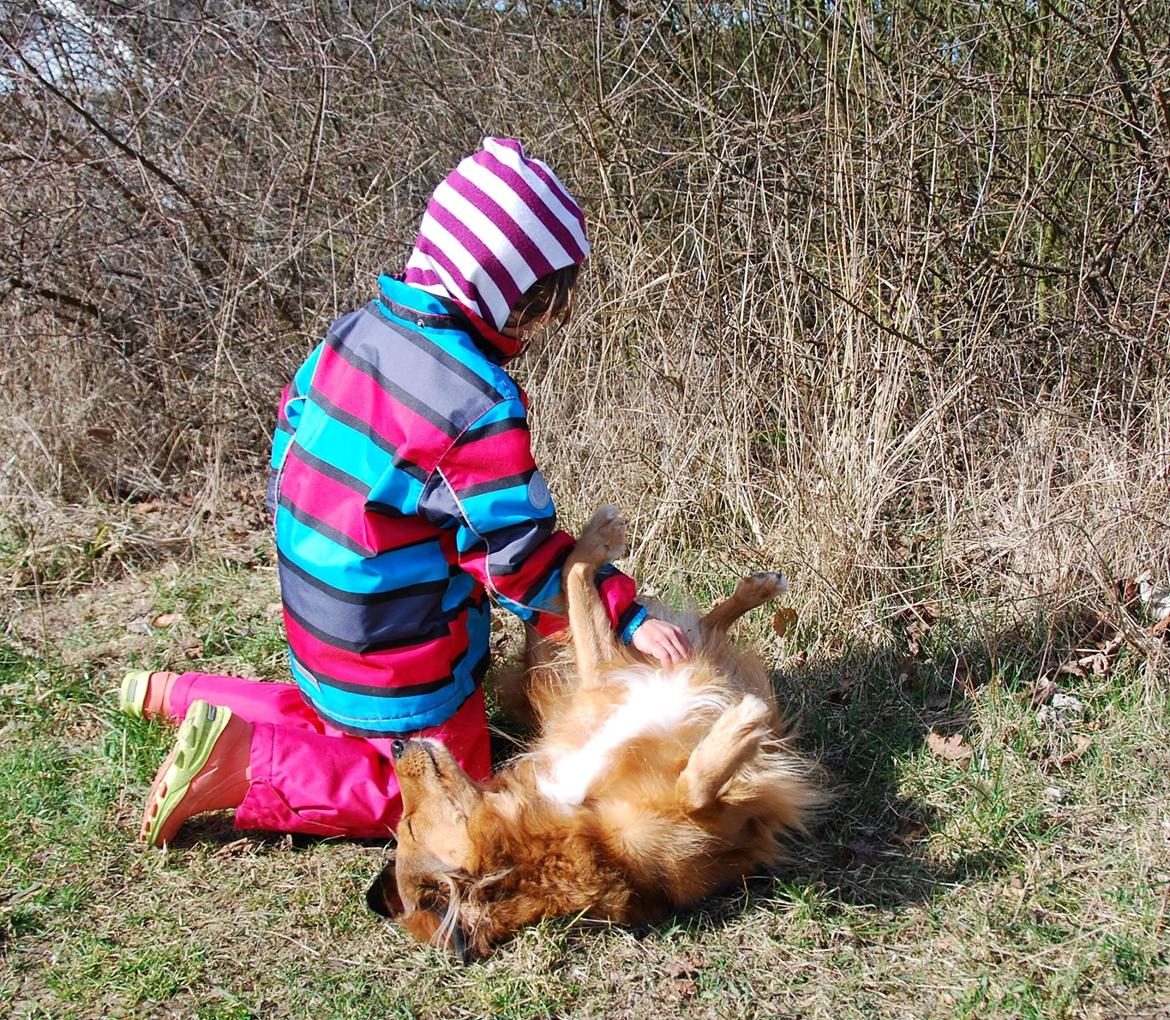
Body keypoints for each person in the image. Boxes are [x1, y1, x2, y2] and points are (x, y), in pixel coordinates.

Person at [129, 137, 692, 847]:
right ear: (501, 292)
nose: (544, 324)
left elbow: (291, 431)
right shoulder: (475, 404)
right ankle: (249, 764)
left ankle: (180, 696)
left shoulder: (357, 331)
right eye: (540, 305)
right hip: (398, 657)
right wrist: (624, 611)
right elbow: (516, 560)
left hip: (317, 625)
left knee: (336, 715)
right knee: (450, 795)